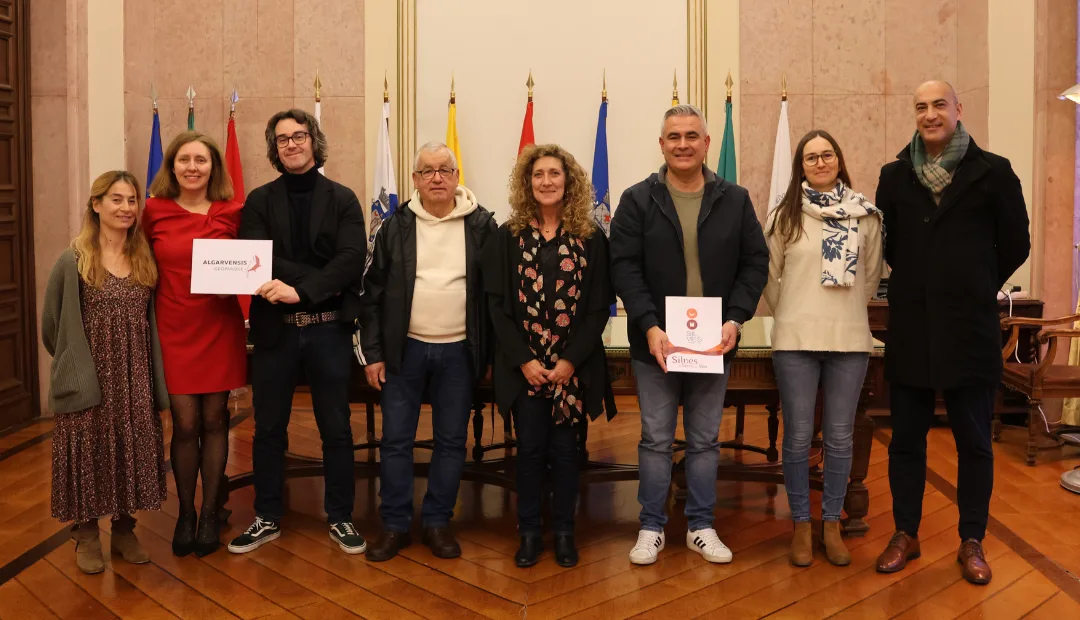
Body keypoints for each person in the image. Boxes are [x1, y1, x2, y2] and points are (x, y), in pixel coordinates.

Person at [874, 81, 1030, 585]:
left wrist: (975, 280)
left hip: (969, 328)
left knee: (974, 442)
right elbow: (891, 247)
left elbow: (1016, 243)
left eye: (939, 104)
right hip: (913, 328)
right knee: (906, 443)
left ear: (958, 110)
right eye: (920, 106)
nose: (929, 114)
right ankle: (906, 533)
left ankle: (972, 540)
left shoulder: (994, 172)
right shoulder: (894, 176)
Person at [610, 104, 769, 565]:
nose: (683, 144)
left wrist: (736, 319)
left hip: (713, 343)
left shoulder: (734, 199)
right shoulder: (637, 199)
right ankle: (651, 526)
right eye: (673, 136)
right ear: (662, 145)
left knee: (703, 440)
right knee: (656, 439)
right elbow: (624, 267)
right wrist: (650, 325)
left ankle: (701, 525)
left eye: (691, 136)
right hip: (656, 343)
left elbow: (754, 263)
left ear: (705, 143)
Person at [228, 109, 368, 555]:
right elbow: (256, 255)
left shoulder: (343, 198)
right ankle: (267, 516)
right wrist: (309, 283)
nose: (291, 144)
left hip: (328, 332)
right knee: (268, 428)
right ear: (275, 148)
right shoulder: (258, 200)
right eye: (283, 139)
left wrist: (298, 289)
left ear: (314, 141)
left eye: (299, 136)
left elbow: (351, 260)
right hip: (275, 333)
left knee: (337, 429)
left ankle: (341, 516)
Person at [358, 142, 496, 562]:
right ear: (415, 180)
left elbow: (497, 297)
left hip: (460, 352)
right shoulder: (394, 227)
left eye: (445, 169)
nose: (437, 177)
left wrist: (489, 353)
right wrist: (374, 353)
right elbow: (370, 295)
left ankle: (438, 522)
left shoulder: (483, 226)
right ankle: (395, 525)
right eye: (427, 171)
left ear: (457, 176)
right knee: (396, 441)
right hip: (405, 352)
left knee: (451, 441)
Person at [481, 144, 617, 569]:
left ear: (568, 181)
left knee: (565, 453)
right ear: (527, 183)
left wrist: (569, 362)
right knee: (529, 451)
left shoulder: (591, 238)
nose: (546, 182)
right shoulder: (507, 236)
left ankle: (563, 533)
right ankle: (527, 533)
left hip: (571, 371)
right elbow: (497, 306)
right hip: (524, 370)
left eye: (554, 174)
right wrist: (525, 361)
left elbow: (598, 307)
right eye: (538, 175)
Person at [763, 130, 884, 568]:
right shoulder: (784, 214)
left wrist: (842, 308)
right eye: (810, 157)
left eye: (826, 154)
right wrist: (792, 312)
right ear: (801, 165)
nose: (819, 162)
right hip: (795, 339)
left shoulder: (865, 214)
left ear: (839, 160)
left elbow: (870, 278)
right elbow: (769, 276)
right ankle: (800, 524)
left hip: (849, 338)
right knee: (796, 438)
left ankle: (831, 524)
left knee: (838, 436)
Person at [41, 170, 169, 574]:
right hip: (90, 378)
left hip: (134, 377)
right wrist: (76, 367)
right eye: (116, 199)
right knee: (89, 453)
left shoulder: (145, 256)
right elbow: (51, 325)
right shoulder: (73, 259)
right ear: (96, 205)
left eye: (132, 200)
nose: (126, 208)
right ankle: (87, 533)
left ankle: (125, 527)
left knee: (131, 450)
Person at [144, 131, 246, 557]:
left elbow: (253, 260)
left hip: (219, 327)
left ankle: (209, 513)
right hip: (173, 327)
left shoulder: (235, 211)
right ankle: (185, 511)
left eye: (200, 160)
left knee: (216, 421)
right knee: (185, 424)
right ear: (171, 167)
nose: (192, 167)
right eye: (183, 159)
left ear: (213, 167)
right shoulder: (152, 211)